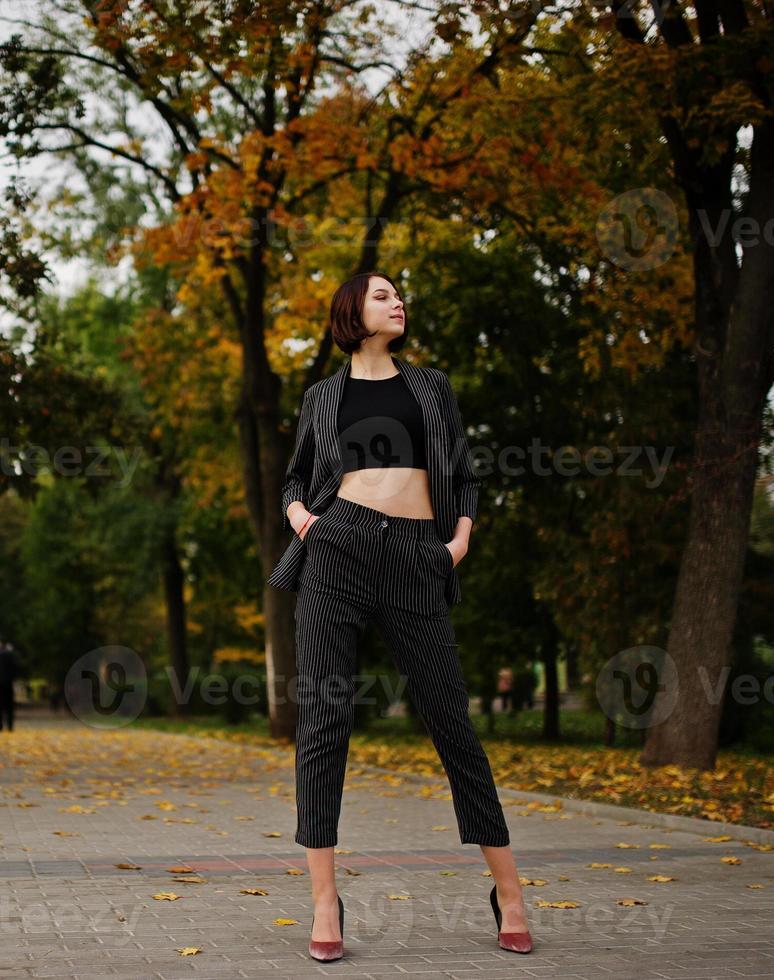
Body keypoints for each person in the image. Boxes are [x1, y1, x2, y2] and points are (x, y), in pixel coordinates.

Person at [267, 272, 532, 960]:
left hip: (418, 554)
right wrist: (302, 520)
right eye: (382, 294)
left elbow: (464, 475)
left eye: (398, 295)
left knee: (452, 724)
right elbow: (296, 477)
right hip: (337, 548)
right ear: (351, 311)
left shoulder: (429, 387)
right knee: (325, 721)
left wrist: (457, 543)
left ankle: (508, 890)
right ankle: (324, 902)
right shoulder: (322, 397)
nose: (396, 302)